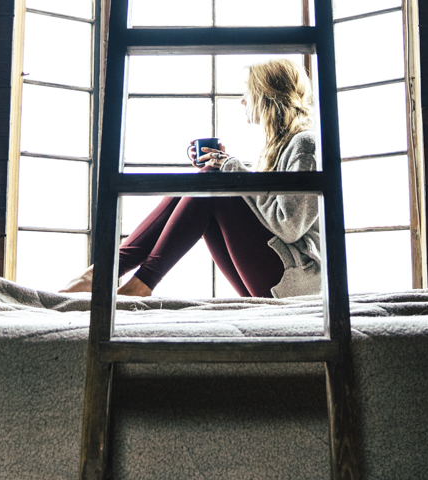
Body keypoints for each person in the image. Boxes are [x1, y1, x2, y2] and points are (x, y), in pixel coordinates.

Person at [62, 60, 321, 300]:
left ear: (267, 94)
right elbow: (264, 209)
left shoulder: (304, 144)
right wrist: (226, 167)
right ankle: (105, 272)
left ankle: (137, 283)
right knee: (205, 181)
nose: (243, 100)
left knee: (210, 181)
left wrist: (230, 169)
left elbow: (289, 226)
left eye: (248, 91)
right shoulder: (279, 146)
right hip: (277, 275)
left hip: (294, 279)